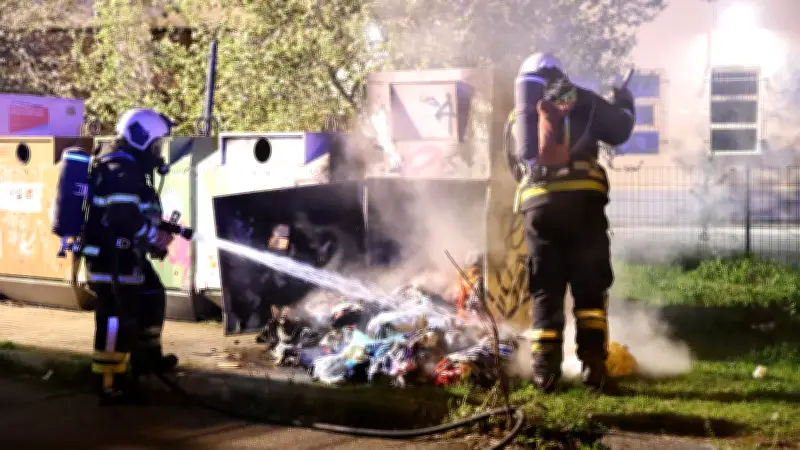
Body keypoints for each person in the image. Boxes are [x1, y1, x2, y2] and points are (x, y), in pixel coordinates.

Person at [512, 53, 635, 394]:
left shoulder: (519, 115)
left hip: (538, 210)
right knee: (589, 288)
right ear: (560, 74)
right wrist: (624, 102)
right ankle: (594, 369)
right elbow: (620, 130)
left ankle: (544, 374)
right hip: (583, 206)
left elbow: (516, 162)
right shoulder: (583, 99)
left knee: (545, 289)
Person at [81, 108, 179, 404]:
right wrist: (153, 236)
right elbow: (122, 216)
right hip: (111, 259)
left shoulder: (130, 168)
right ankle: (110, 382)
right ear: (140, 138)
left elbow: (135, 212)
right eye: (156, 144)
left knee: (151, 294)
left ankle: (147, 359)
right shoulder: (120, 170)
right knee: (115, 320)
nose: (158, 151)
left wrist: (155, 233)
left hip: (126, 255)